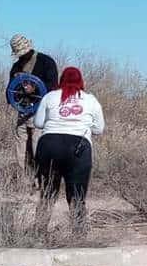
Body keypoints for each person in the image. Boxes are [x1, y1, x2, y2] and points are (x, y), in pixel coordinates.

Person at [32, 67, 104, 235]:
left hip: (49, 145)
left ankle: (39, 232)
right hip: (78, 147)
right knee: (77, 195)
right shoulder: (90, 100)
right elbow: (99, 129)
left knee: (48, 193)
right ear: (81, 81)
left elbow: (38, 123)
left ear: (61, 80)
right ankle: (78, 234)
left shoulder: (49, 97)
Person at [8, 34, 59, 173]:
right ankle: (21, 177)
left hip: (41, 110)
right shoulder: (16, 66)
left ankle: (40, 177)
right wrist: (17, 86)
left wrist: (34, 88)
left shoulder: (46, 62)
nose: (21, 56)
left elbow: (54, 86)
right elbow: (9, 90)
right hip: (22, 110)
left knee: (38, 143)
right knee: (20, 143)